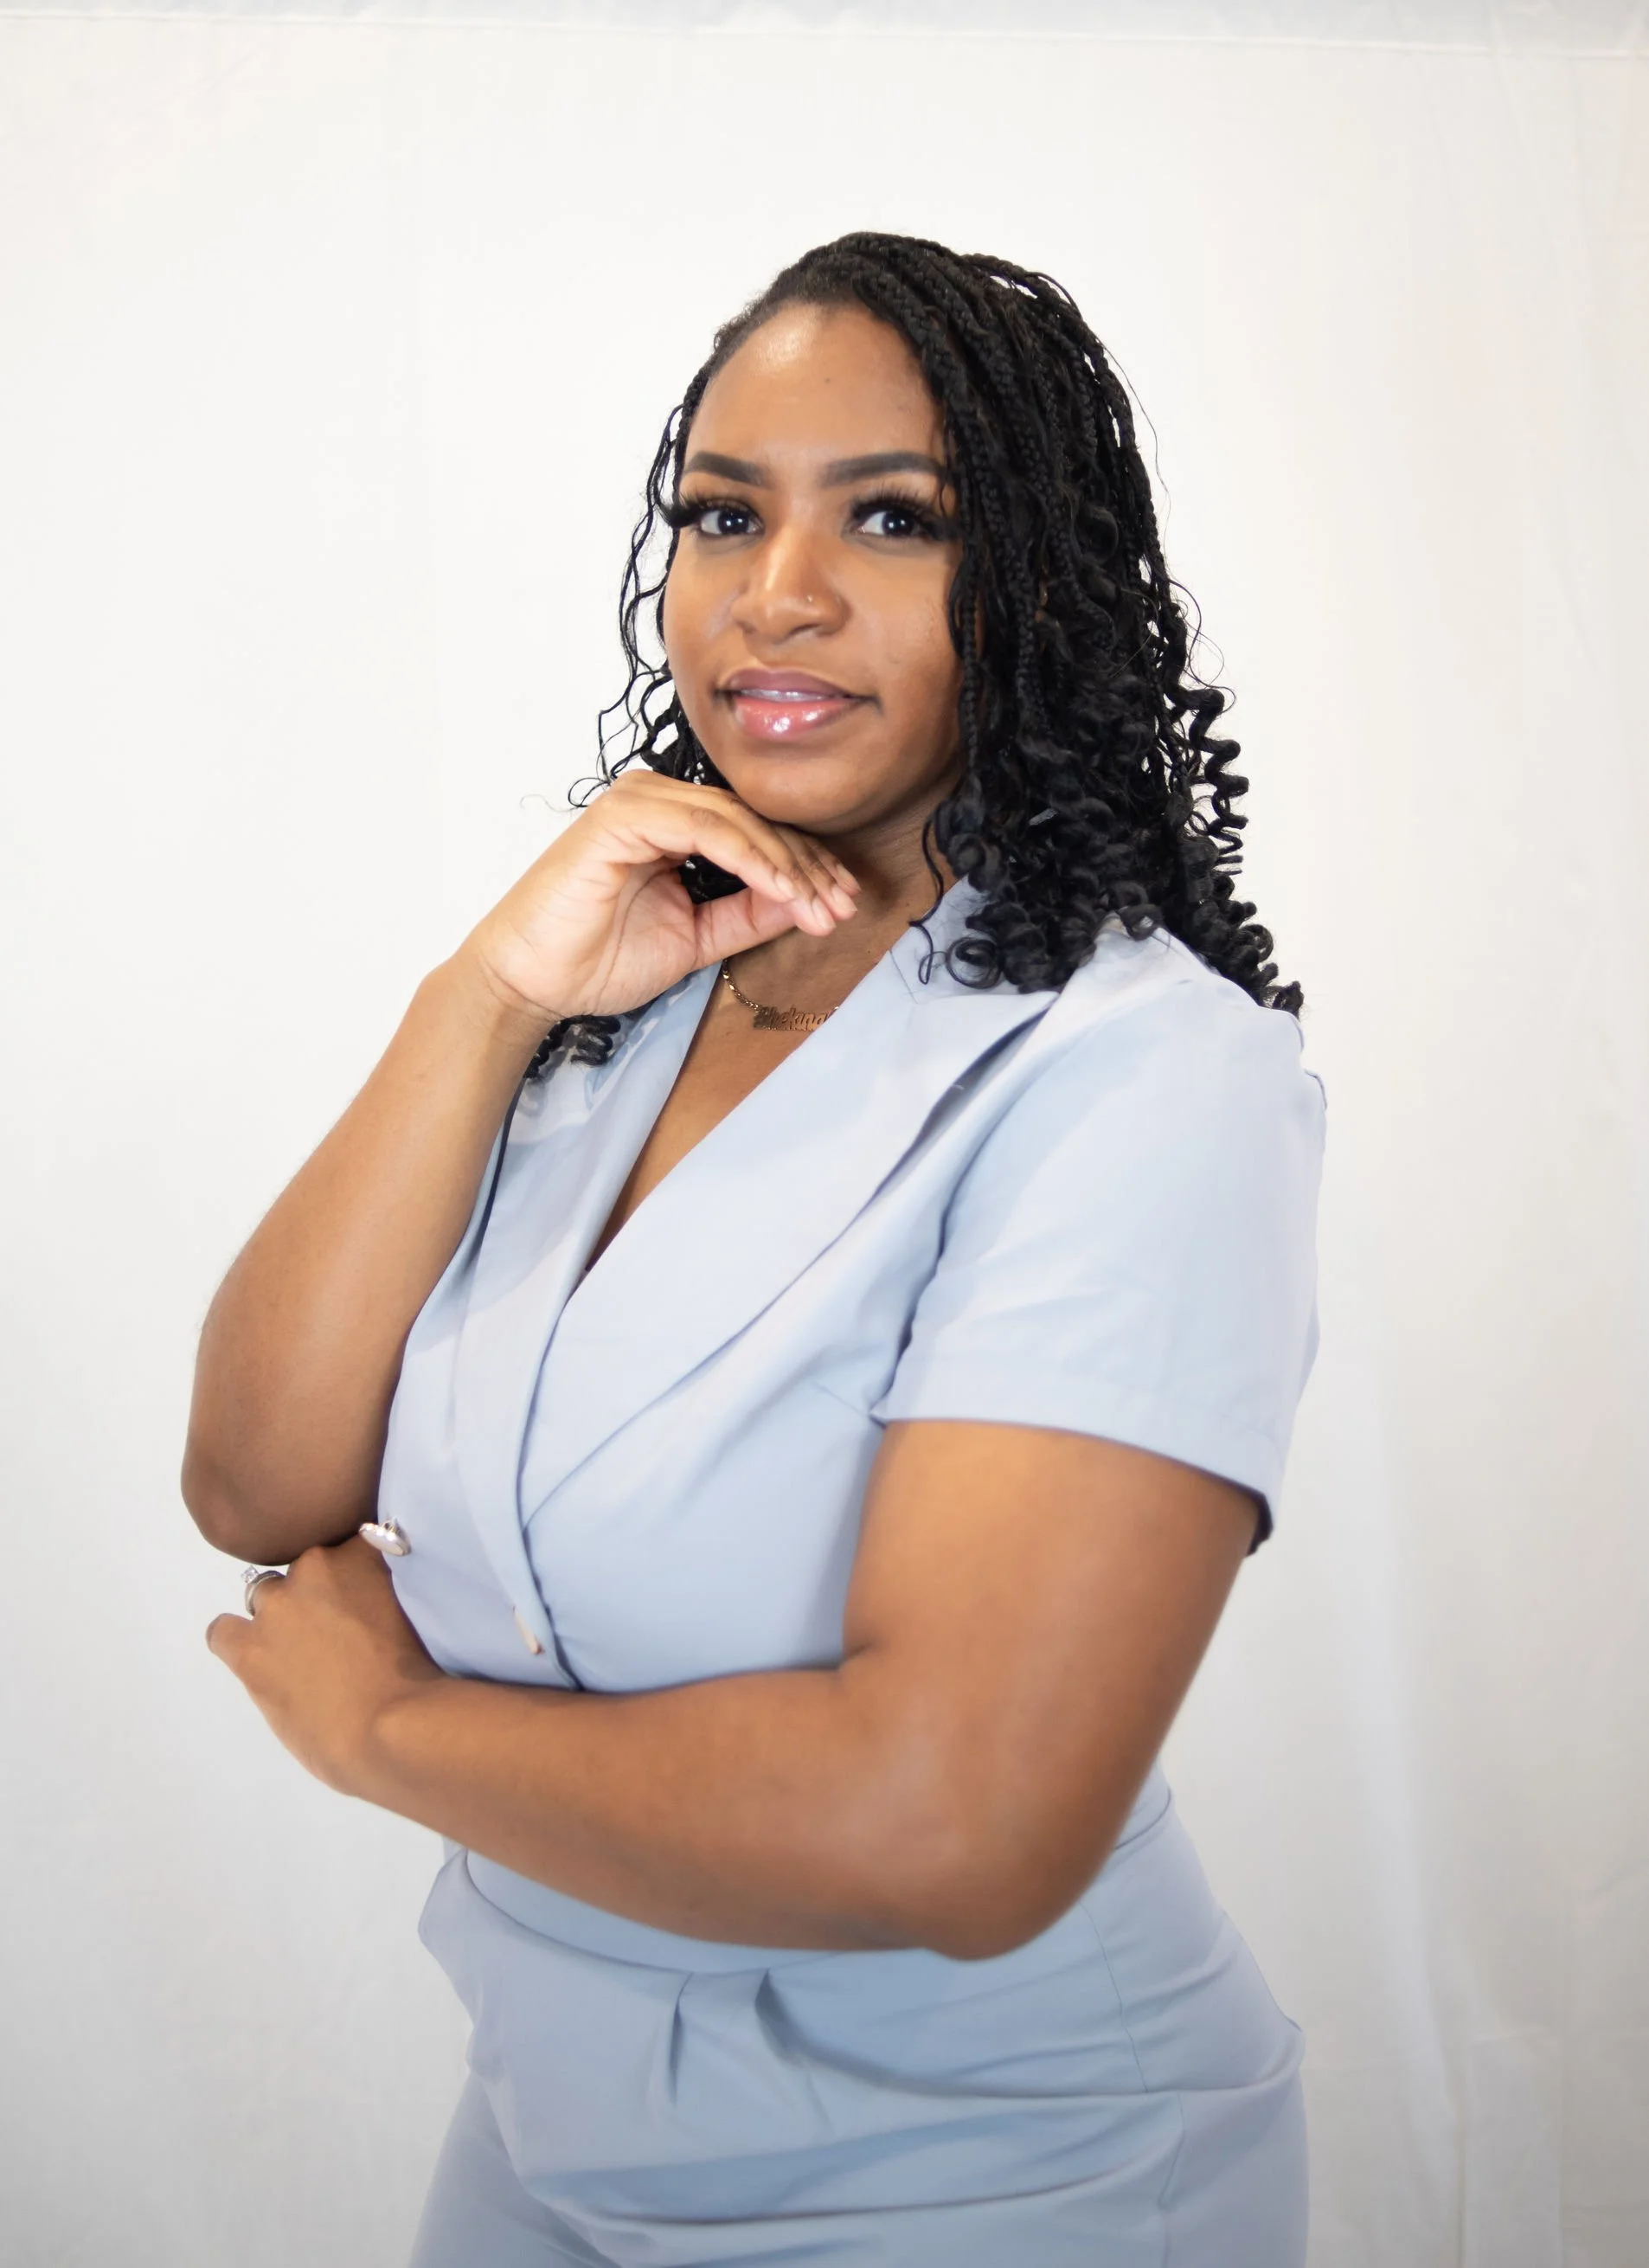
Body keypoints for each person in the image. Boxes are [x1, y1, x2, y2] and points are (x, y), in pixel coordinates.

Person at [185, 232, 1325, 2267]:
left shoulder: (1142, 1078)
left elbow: (952, 1820)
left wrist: (386, 1734)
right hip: (550, 2117)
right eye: (724, 512)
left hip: (982, 2172)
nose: (775, 591)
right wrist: (483, 996)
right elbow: (260, 1480)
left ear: (1039, 589)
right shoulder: (627, 991)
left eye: (891, 515)